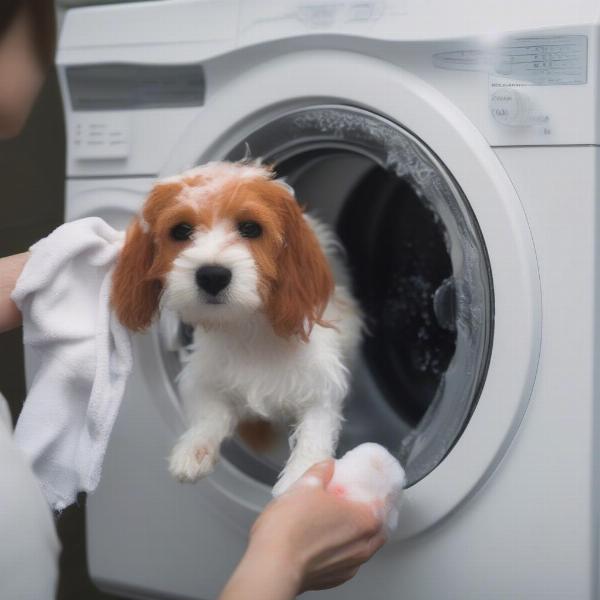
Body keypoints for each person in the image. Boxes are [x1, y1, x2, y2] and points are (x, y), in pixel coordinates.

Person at [0, 2, 387, 599]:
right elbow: (207, 379)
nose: (208, 260)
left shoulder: (311, 296)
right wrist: (284, 555)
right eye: (181, 233)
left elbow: (320, 389)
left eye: (249, 230)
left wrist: (38, 273)